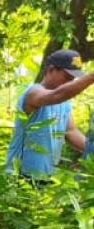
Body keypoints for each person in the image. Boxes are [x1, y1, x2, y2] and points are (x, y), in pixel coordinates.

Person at [6, 49, 94, 178]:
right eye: (67, 77)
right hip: (20, 174)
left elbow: (70, 132)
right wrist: (91, 77)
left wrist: (91, 150)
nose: (70, 82)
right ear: (51, 70)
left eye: (73, 79)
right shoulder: (33, 93)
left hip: (45, 175)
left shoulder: (64, 102)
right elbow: (57, 95)